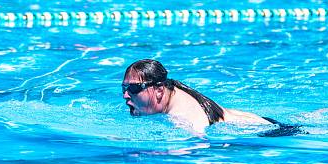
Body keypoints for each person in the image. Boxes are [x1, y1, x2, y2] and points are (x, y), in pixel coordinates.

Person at [121, 59, 301, 136]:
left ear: (159, 90)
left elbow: (197, 143)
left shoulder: (184, 114)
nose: (126, 94)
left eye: (134, 88)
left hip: (270, 132)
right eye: (124, 87)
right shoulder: (170, 88)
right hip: (263, 122)